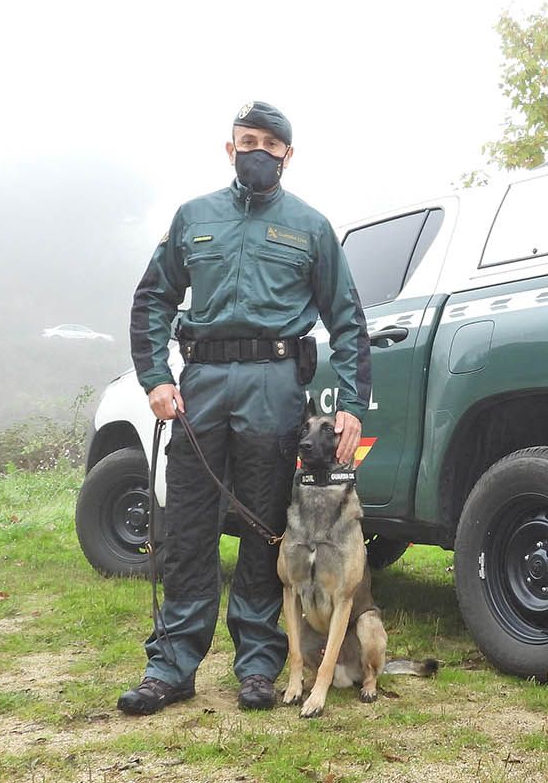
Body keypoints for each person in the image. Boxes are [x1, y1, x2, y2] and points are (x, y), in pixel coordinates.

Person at [119, 101, 371, 715]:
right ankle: (172, 667)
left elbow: (348, 321)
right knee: (188, 529)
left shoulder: (311, 227)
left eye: (269, 143)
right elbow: (153, 298)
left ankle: (258, 666)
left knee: (264, 533)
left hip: (274, 384)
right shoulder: (193, 217)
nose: (257, 150)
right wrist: (155, 377)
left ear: (288, 153)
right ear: (229, 148)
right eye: (245, 140)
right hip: (200, 384)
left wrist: (352, 406)